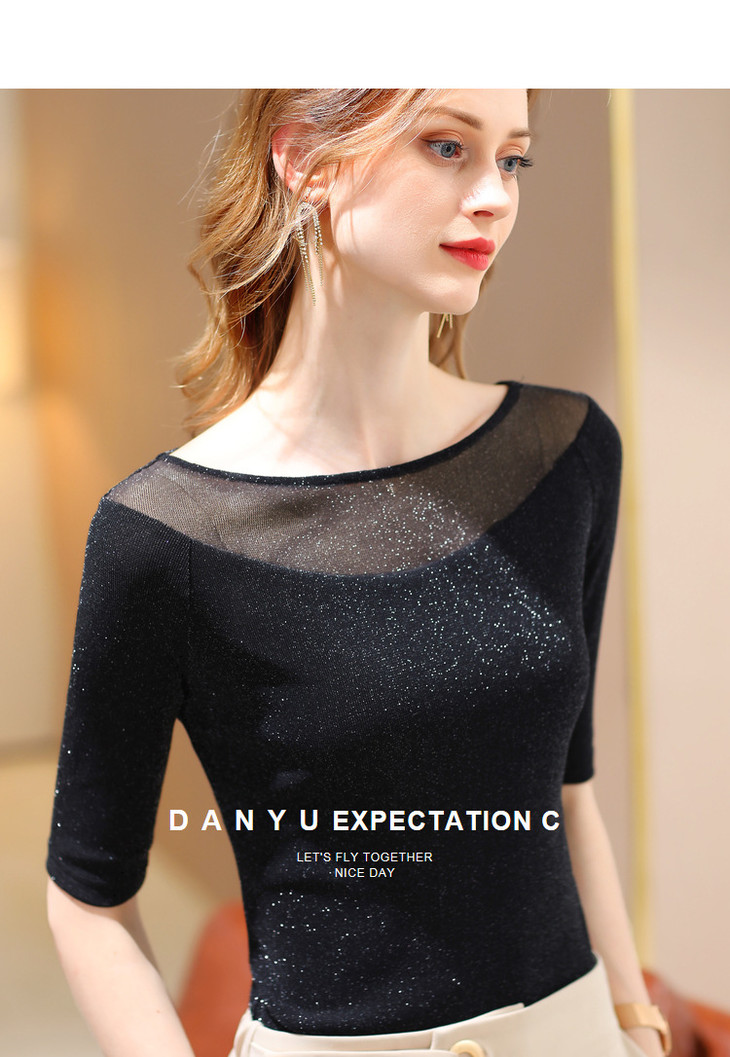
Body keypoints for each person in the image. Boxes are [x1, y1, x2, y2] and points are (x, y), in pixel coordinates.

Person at [46, 89, 671, 1057]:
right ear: (304, 159)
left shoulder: (566, 453)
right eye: (446, 146)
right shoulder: (163, 534)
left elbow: (565, 786)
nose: (495, 195)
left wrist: (635, 1024)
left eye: (512, 159)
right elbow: (88, 897)